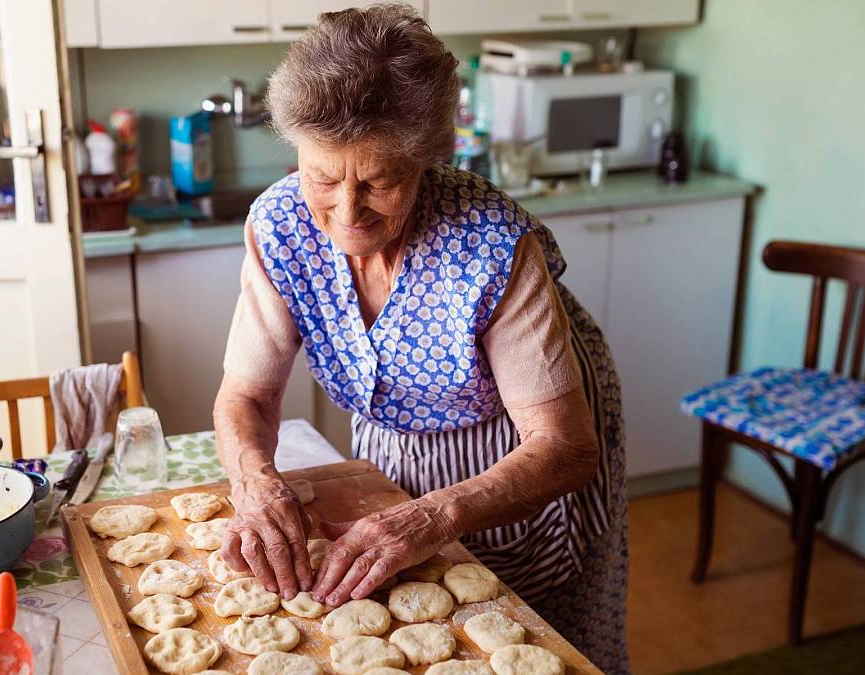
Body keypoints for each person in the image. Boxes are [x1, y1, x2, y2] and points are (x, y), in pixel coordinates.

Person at [212, 4, 628, 671]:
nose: (346, 213)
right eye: (322, 176)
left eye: (379, 181)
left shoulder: (490, 245)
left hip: (515, 450)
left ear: (427, 159)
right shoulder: (280, 227)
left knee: (520, 633)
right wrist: (255, 482)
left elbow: (565, 446)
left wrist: (433, 517)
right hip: (392, 450)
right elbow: (247, 397)